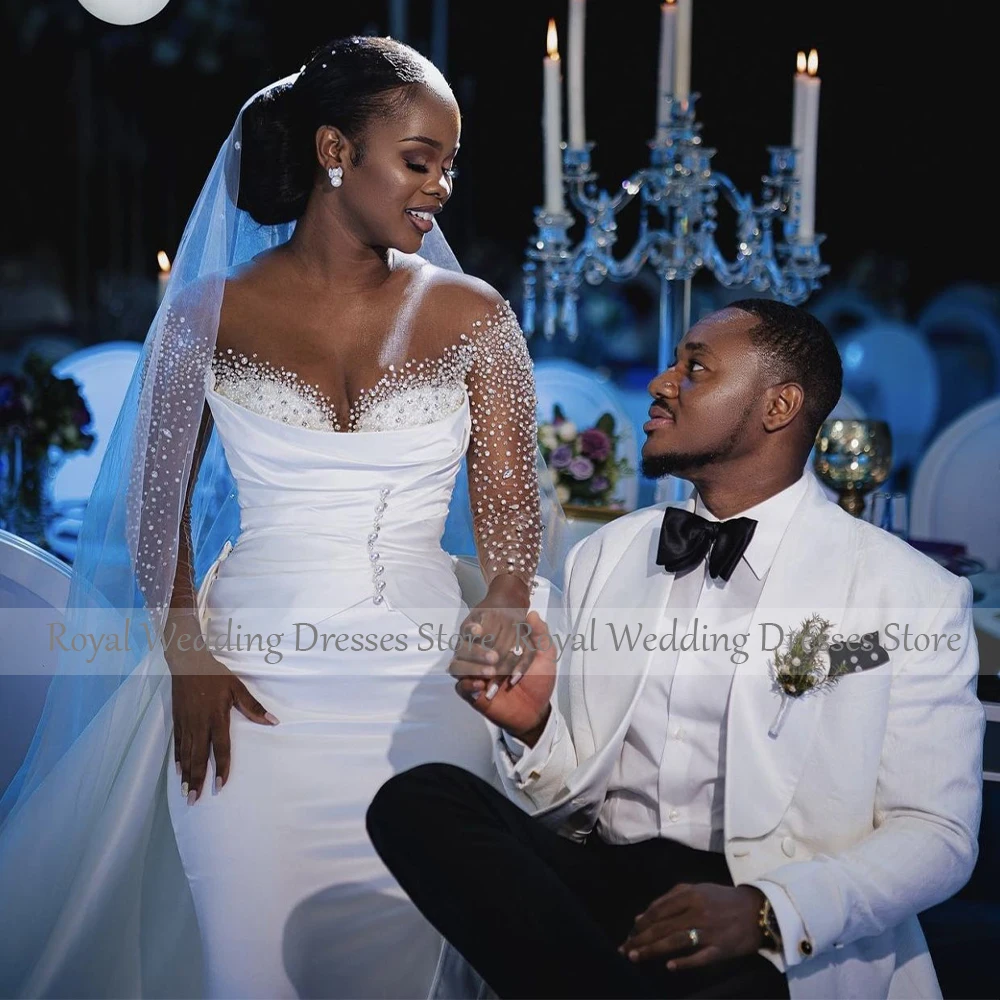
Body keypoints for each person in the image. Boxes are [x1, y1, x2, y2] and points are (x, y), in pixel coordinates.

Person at [0, 36, 564, 999]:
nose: (441, 189)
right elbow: (152, 506)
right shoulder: (204, 314)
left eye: (451, 168)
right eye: (420, 161)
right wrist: (186, 652)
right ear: (335, 152)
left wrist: (508, 597)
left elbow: (513, 512)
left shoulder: (477, 319)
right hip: (249, 691)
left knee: (406, 965)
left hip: (424, 696)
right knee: (248, 967)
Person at [367, 299, 985, 1000]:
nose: (662, 383)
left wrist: (768, 911)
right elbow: (575, 803)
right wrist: (536, 727)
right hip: (607, 884)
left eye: (695, 368)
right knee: (418, 801)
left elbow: (937, 835)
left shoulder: (905, 593)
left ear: (778, 406)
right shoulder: (610, 553)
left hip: (761, 911)